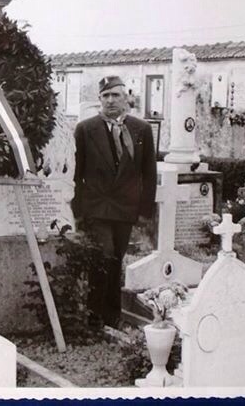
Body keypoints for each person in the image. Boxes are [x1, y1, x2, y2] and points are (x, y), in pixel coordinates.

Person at [72, 75, 157, 328]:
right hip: (96, 207)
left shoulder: (141, 129)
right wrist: (77, 212)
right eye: (105, 96)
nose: (110, 101)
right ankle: (96, 315)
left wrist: (144, 211)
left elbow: (148, 173)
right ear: (99, 99)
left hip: (125, 207)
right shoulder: (85, 129)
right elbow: (76, 174)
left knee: (116, 258)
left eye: (115, 95)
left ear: (126, 98)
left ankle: (110, 315)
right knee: (104, 255)